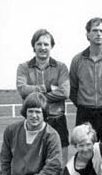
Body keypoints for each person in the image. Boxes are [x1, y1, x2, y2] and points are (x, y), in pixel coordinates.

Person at [16, 29, 70, 164]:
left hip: (57, 119)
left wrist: (34, 95)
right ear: (33, 46)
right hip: (33, 120)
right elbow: (23, 90)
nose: (42, 47)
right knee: (33, 164)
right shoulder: (23, 67)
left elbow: (64, 92)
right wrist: (47, 88)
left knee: (60, 164)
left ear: (51, 46)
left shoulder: (61, 67)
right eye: (39, 44)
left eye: (46, 44)